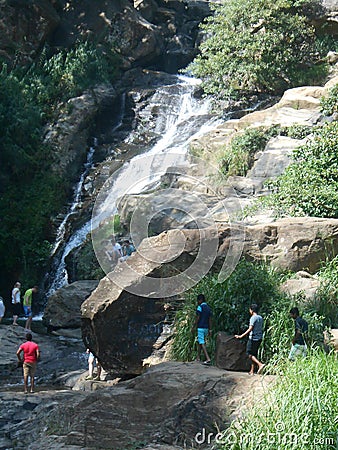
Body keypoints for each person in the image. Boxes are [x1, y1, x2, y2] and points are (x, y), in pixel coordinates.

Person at [235, 304, 265, 375]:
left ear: (252, 310)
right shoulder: (260, 318)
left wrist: (241, 336)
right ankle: (252, 371)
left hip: (253, 338)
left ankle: (260, 364)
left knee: (249, 354)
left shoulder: (253, 318)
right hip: (259, 338)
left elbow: (250, 328)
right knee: (253, 354)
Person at [193, 293, 212, 365]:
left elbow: (197, 318)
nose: (198, 302)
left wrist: (194, 326)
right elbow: (210, 319)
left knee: (202, 342)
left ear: (200, 300)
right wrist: (210, 329)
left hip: (200, 327)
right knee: (200, 341)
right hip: (206, 328)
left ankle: (208, 358)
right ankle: (198, 357)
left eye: (198, 300)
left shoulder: (200, 307)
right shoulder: (208, 308)